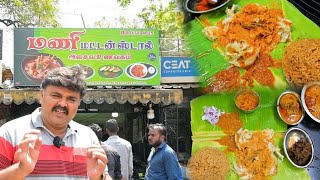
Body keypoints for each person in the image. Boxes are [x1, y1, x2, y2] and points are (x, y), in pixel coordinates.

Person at [0, 66, 110, 180]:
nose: (62, 104)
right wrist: (19, 170)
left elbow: (104, 176)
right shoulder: (10, 132)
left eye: (71, 99)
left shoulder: (88, 136)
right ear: (41, 95)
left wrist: (99, 177)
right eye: (56, 95)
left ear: (78, 104)